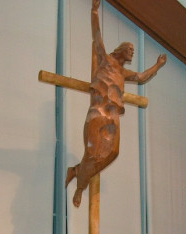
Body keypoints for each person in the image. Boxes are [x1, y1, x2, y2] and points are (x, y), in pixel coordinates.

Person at [65, 0, 167, 208]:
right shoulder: (105, 60)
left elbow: (140, 77)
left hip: (113, 118)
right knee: (93, 153)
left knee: (112, 154)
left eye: (133, 51)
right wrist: (94, 11)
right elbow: (97, 36)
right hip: (98, 112)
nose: (132, 52)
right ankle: (80, 187)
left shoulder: (123, 72)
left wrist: (158, 65)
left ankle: (76, 171)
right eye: (129, 49)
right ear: (120, 50)